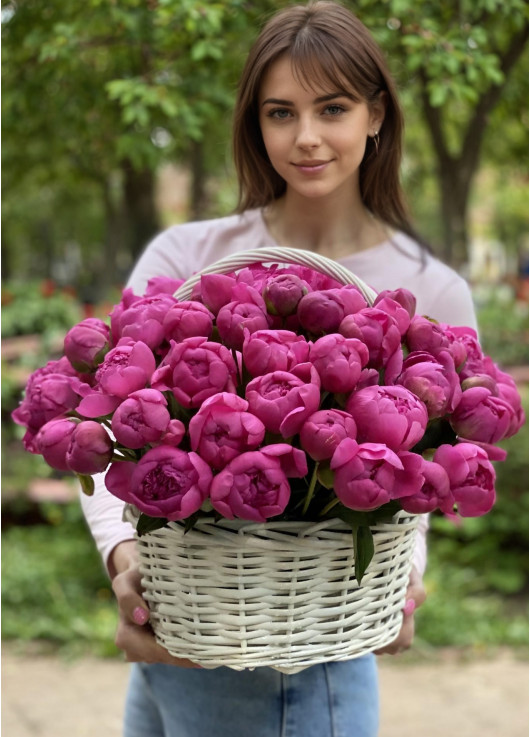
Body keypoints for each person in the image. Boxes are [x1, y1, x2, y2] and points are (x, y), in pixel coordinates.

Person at [81, 2, 478, 735]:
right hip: (177, 636)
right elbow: (106, 431)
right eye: (278, 112)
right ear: (254, 124)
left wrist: (404, 579)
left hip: (307, 666)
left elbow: (420, 476)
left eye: (332, 107)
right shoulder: (186, 259)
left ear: (376, 115)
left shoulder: (436, 289)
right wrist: (125, 562)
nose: (305, 138)